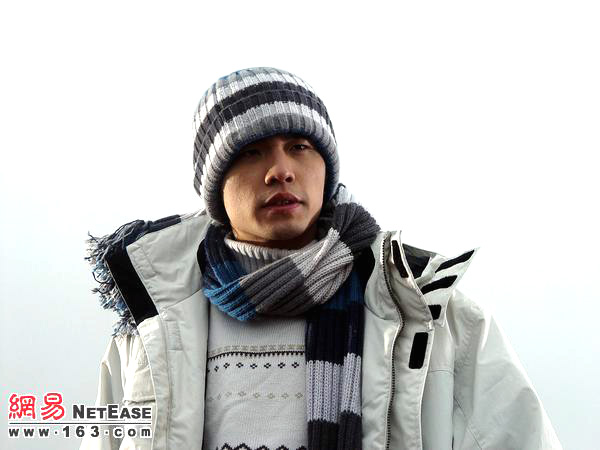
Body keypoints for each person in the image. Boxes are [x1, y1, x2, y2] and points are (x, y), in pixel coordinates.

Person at [80, 67, 562, 450]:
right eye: (250, 152)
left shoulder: (429, 312)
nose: (280, 170)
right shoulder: (151, 332)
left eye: (299, 147)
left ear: (326, 169)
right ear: (214, 187)